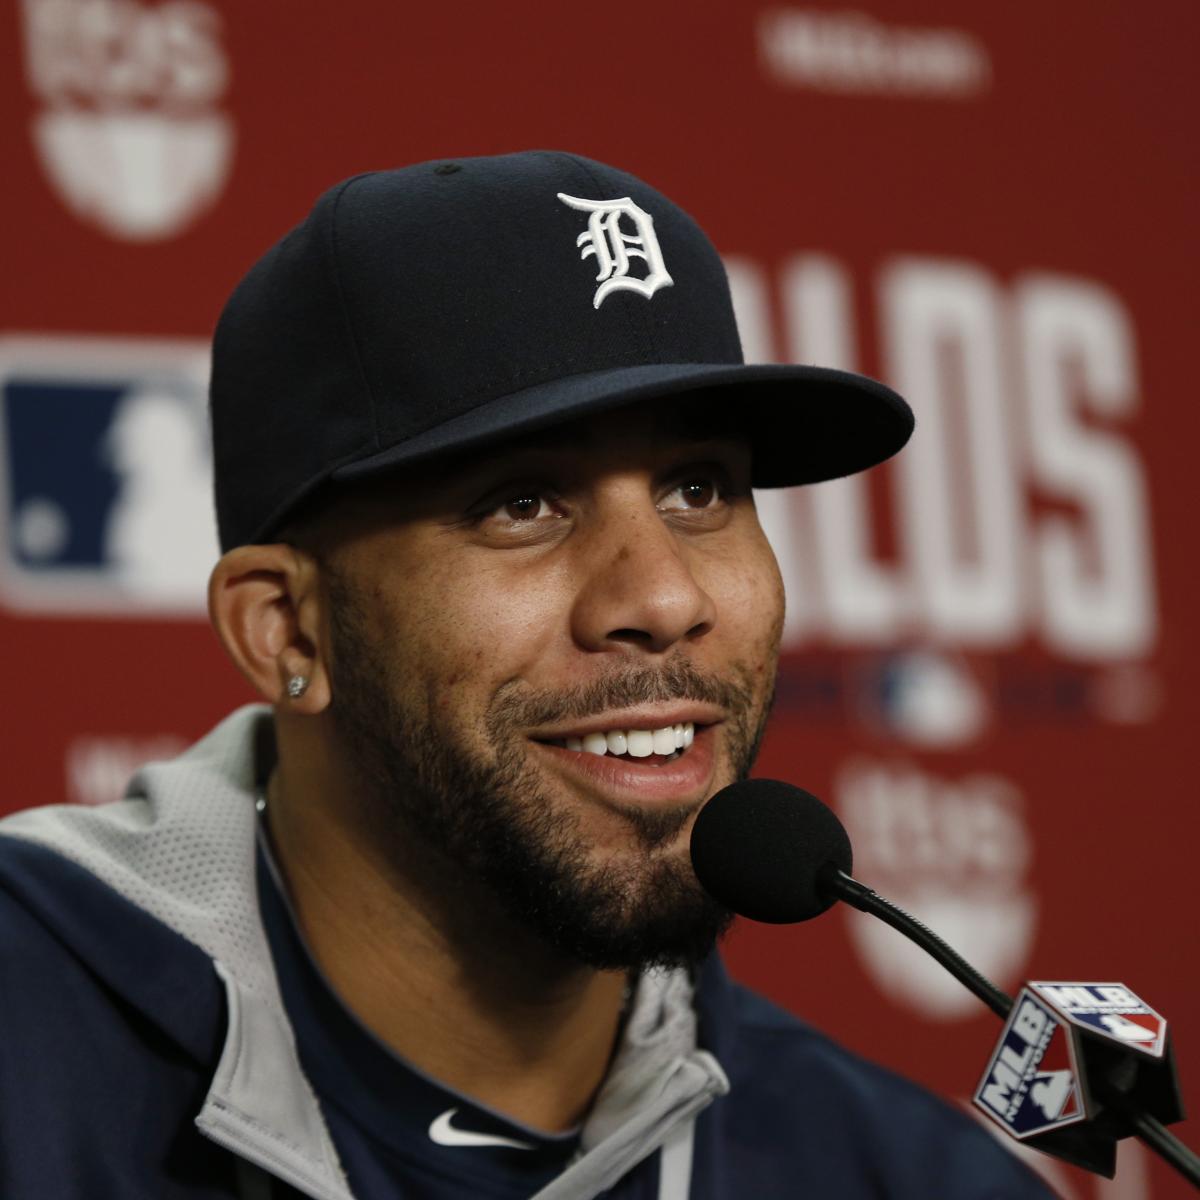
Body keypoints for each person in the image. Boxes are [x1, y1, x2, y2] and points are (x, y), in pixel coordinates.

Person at [0, 151, 1052, 1198]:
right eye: (522, 504)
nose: (663, 598)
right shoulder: (32, 1037)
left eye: (697, 488)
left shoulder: (901, 1177)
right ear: (287, 631)